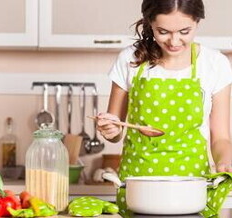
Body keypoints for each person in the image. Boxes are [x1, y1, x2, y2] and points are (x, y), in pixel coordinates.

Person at [96, 0, 232, 216]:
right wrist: (110, 130)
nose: (174, 41)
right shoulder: (129, 59)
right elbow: (115, 130)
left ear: (197, 21)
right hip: (138, 188)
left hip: (191, 187)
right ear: (150, 23)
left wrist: (225, 161)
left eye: (184, 31)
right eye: (163, 31)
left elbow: (221, 138)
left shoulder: (215, 64)